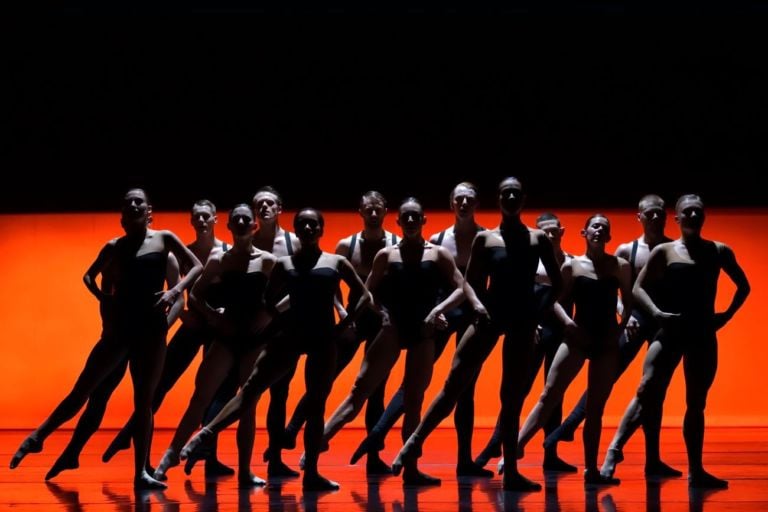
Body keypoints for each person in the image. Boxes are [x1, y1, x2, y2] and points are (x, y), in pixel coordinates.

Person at [10, 188, 203, 489]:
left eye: (139, 201)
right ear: (123, 215)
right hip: (121, 330)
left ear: (149, 209)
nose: (134, 205)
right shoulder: (115, 247)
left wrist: (174, 293)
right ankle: (38, 436)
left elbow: (196, 267)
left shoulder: (164, 239)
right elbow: (89, 276)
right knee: (85, 390)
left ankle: (140, 472)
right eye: (129, 203)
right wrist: (104, 298)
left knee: (143, 402)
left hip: (151, 331)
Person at [180, 208, 372, 491]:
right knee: (252, 389)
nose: (307, 228)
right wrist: (281, 321)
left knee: (316, 405)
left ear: (321, 230)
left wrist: (344, 326)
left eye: (312, 225)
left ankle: (311, 474)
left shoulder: (336, 262)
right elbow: (268, 301)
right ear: (296, 229)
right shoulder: (285, 264)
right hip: (291, 336)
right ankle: (205, 434)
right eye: (302, 224)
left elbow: (364, 296)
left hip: (322, 339)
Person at [392, 177, 562, 491]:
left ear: (522, 199)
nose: (510, 197)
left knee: (511, 398)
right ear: (498, 200)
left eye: (515, 193)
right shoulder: (487, 240)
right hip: (490, 316)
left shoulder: (538, 239)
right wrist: (477, 307)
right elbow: (469, 282)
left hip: (522, 321)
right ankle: (412, 444)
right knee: (453, 384)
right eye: (505, 193)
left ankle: (510, 470)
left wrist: (539, 312)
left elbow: (557, 282)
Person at [319, 197, 471, 486]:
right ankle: (316, 446)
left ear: (424, 220)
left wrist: (439, 310)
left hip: (423, 334)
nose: (411, 221)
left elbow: (462, 288)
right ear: (399, 222)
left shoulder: (437, 255)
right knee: (358, 393)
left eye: (416, 216)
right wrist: (380, 313)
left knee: (414, 402)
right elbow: (367, 292)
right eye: (406, 217)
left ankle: (411, 470)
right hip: (394, 330)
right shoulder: (387, 255)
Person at [349, 182, 491, 477]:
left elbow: (483, 282)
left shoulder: (485, 238)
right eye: (459, 199)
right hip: (441, 315)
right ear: (452, 204)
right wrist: (437, 311)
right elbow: (435, 285)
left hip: (470, 316)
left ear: (476, 203)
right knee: (413, 385)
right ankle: (378, 434)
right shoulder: (439, 240)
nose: (464, 203)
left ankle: (464, 460)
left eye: (469, 199)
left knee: (465, 388)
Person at [608, 194, 749, 488]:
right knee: (647, 389)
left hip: (702, 335)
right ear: (678, 218)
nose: (694, 216)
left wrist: (726, 316)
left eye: (698, 211)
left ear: (704, 216)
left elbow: (743, 286)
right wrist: (658, 313)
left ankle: (696, 471)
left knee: (696, 402)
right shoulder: (666, 251)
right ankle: (613, 452)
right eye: (688, 212)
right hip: (671, 332)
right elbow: (637, 288)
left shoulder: (718, 251)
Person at [540, 195, 678, 478]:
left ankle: (652, 458)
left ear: (667, 216)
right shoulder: (629, 249)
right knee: (606, 377)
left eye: (660, 213)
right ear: (639, 217)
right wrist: (622, 317)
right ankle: (570, 425)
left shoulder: (672, 249)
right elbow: (614, 288)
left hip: (661, 324)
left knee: (654, 389)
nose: (655, 218)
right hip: (635, 322)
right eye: (649, 213)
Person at [102, 199, 236, 478]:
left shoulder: (226, 251)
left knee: (215, 390)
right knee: (160, 384)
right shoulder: (185, 252)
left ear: (215, 219)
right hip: (195, 326)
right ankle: (129, 435)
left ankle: (208, 455)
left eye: (205, 216)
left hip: (217, 327)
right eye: (196, 216)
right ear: (191, 220)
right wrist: (184, 315)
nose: (200, 221)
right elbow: (177, 290)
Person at [153, 204, 277, 486]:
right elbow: (194, 296)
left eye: (248, 219)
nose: (243, 222)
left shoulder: (268, 261)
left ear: (254, 226)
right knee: (200, 398)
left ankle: (245, 470)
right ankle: (170, 456)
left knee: (248, 405)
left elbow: (290, 295)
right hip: (227, 336)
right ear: (230, 227)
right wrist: (214, 317)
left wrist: (267, 314)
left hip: (254, 340)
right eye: (238, 219)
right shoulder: (219, 259)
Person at [43, 241, 183, 481]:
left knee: (144, 402)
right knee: (99, 397)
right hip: (122, 335)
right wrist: (110, 328)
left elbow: (179, 299)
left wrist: (157, 332)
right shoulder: (119, 254)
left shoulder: (165, 257)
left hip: (146, 338)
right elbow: (106, 294)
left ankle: (143, 464)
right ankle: (73, 452)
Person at [282, 190, 398, 475]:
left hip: (381, 322)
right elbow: (330, 281)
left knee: (376, 390)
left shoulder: (395, 244)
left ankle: (372, 456)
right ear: (360, 211)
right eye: (368, 209)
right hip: (353, 321)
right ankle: (293, 428)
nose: (373, 214)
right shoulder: (348, 245)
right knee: (324, 379)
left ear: (385, 211)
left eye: (377, 209)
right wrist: (342, 312)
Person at [515, 214, 632, 486]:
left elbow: (628, 301)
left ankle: (591, 469)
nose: (600, 230)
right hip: (578, 337)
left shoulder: (620, 266)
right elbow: (554, 300)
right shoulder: (572, 266)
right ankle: (517, 448)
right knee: (549, 394)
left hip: (605, 342)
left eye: (605, 227)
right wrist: (568, 324)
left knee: (595, 408)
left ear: (609, 237)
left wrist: (621, 327)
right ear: (584, 233)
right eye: (595, 226)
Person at [475, 212, 576, 473]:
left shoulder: (571, 262)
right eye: (546, 231)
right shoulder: (535, 263)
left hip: (559, 335)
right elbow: (526, 297)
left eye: (555, 231)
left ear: (562, 232)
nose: (551, 235)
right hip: (535, 330)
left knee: (554, 393)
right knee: (518, 391)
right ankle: (495, 444)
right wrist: (533, 324)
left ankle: (550, 452)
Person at [249, 186, 304, 478]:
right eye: (259, 204)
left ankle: (275, 458)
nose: (264, 208)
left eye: (270, 203)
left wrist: (274, 311)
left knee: (279, 393)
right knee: (241, 390)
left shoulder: (294, 242)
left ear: (280, 208)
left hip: (283, 327)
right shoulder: (248, 240)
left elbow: (303, 284)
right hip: (252, 326)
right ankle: (212, 455)